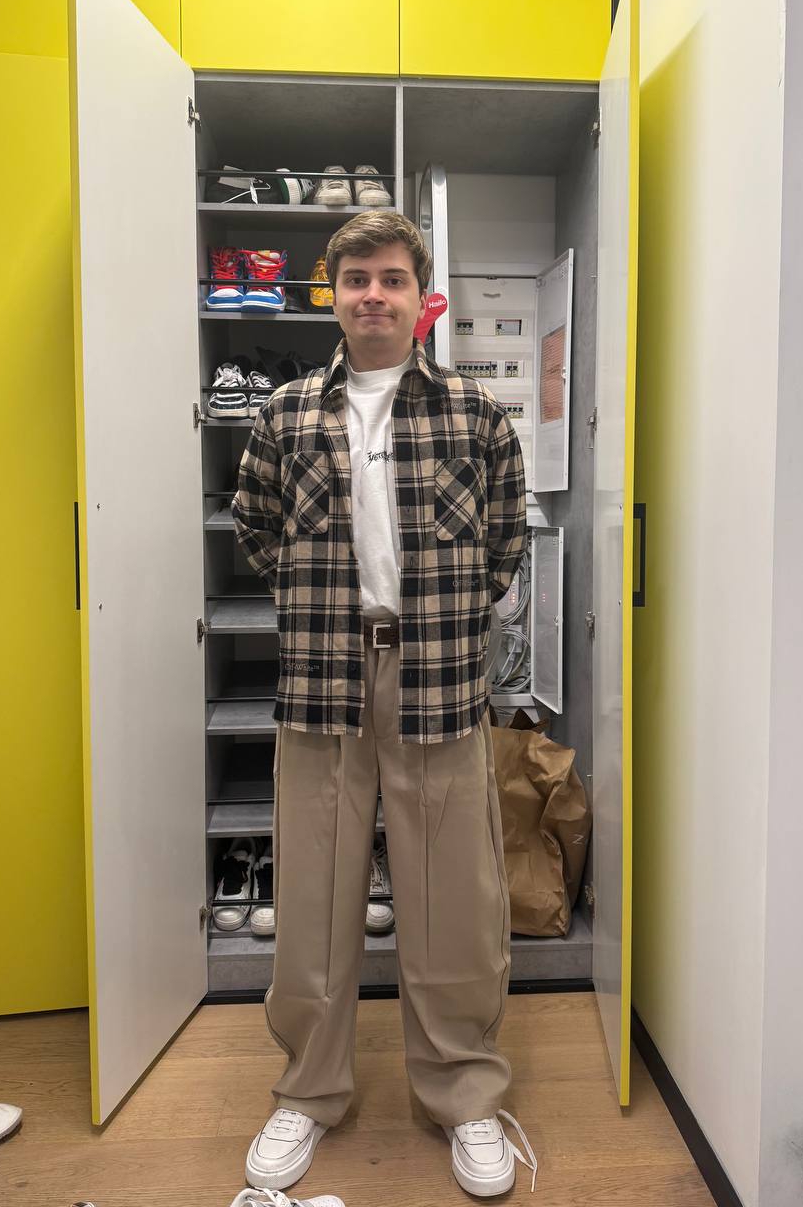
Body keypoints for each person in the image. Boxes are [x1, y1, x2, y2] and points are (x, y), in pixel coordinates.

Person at [232, 211, 535, 1199]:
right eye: (356, 278)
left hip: (436, 673)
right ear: (332, 293)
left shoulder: (474, 413)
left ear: (420, 295)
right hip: (323, 672)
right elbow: (255, 523)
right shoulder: (285, 412)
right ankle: (308, 1089)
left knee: (453, 895)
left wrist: (448, 614)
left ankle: (464, 1093)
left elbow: (506, 535)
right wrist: (316, 595)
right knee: (313, 893)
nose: (373, 294)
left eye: (392, 278)